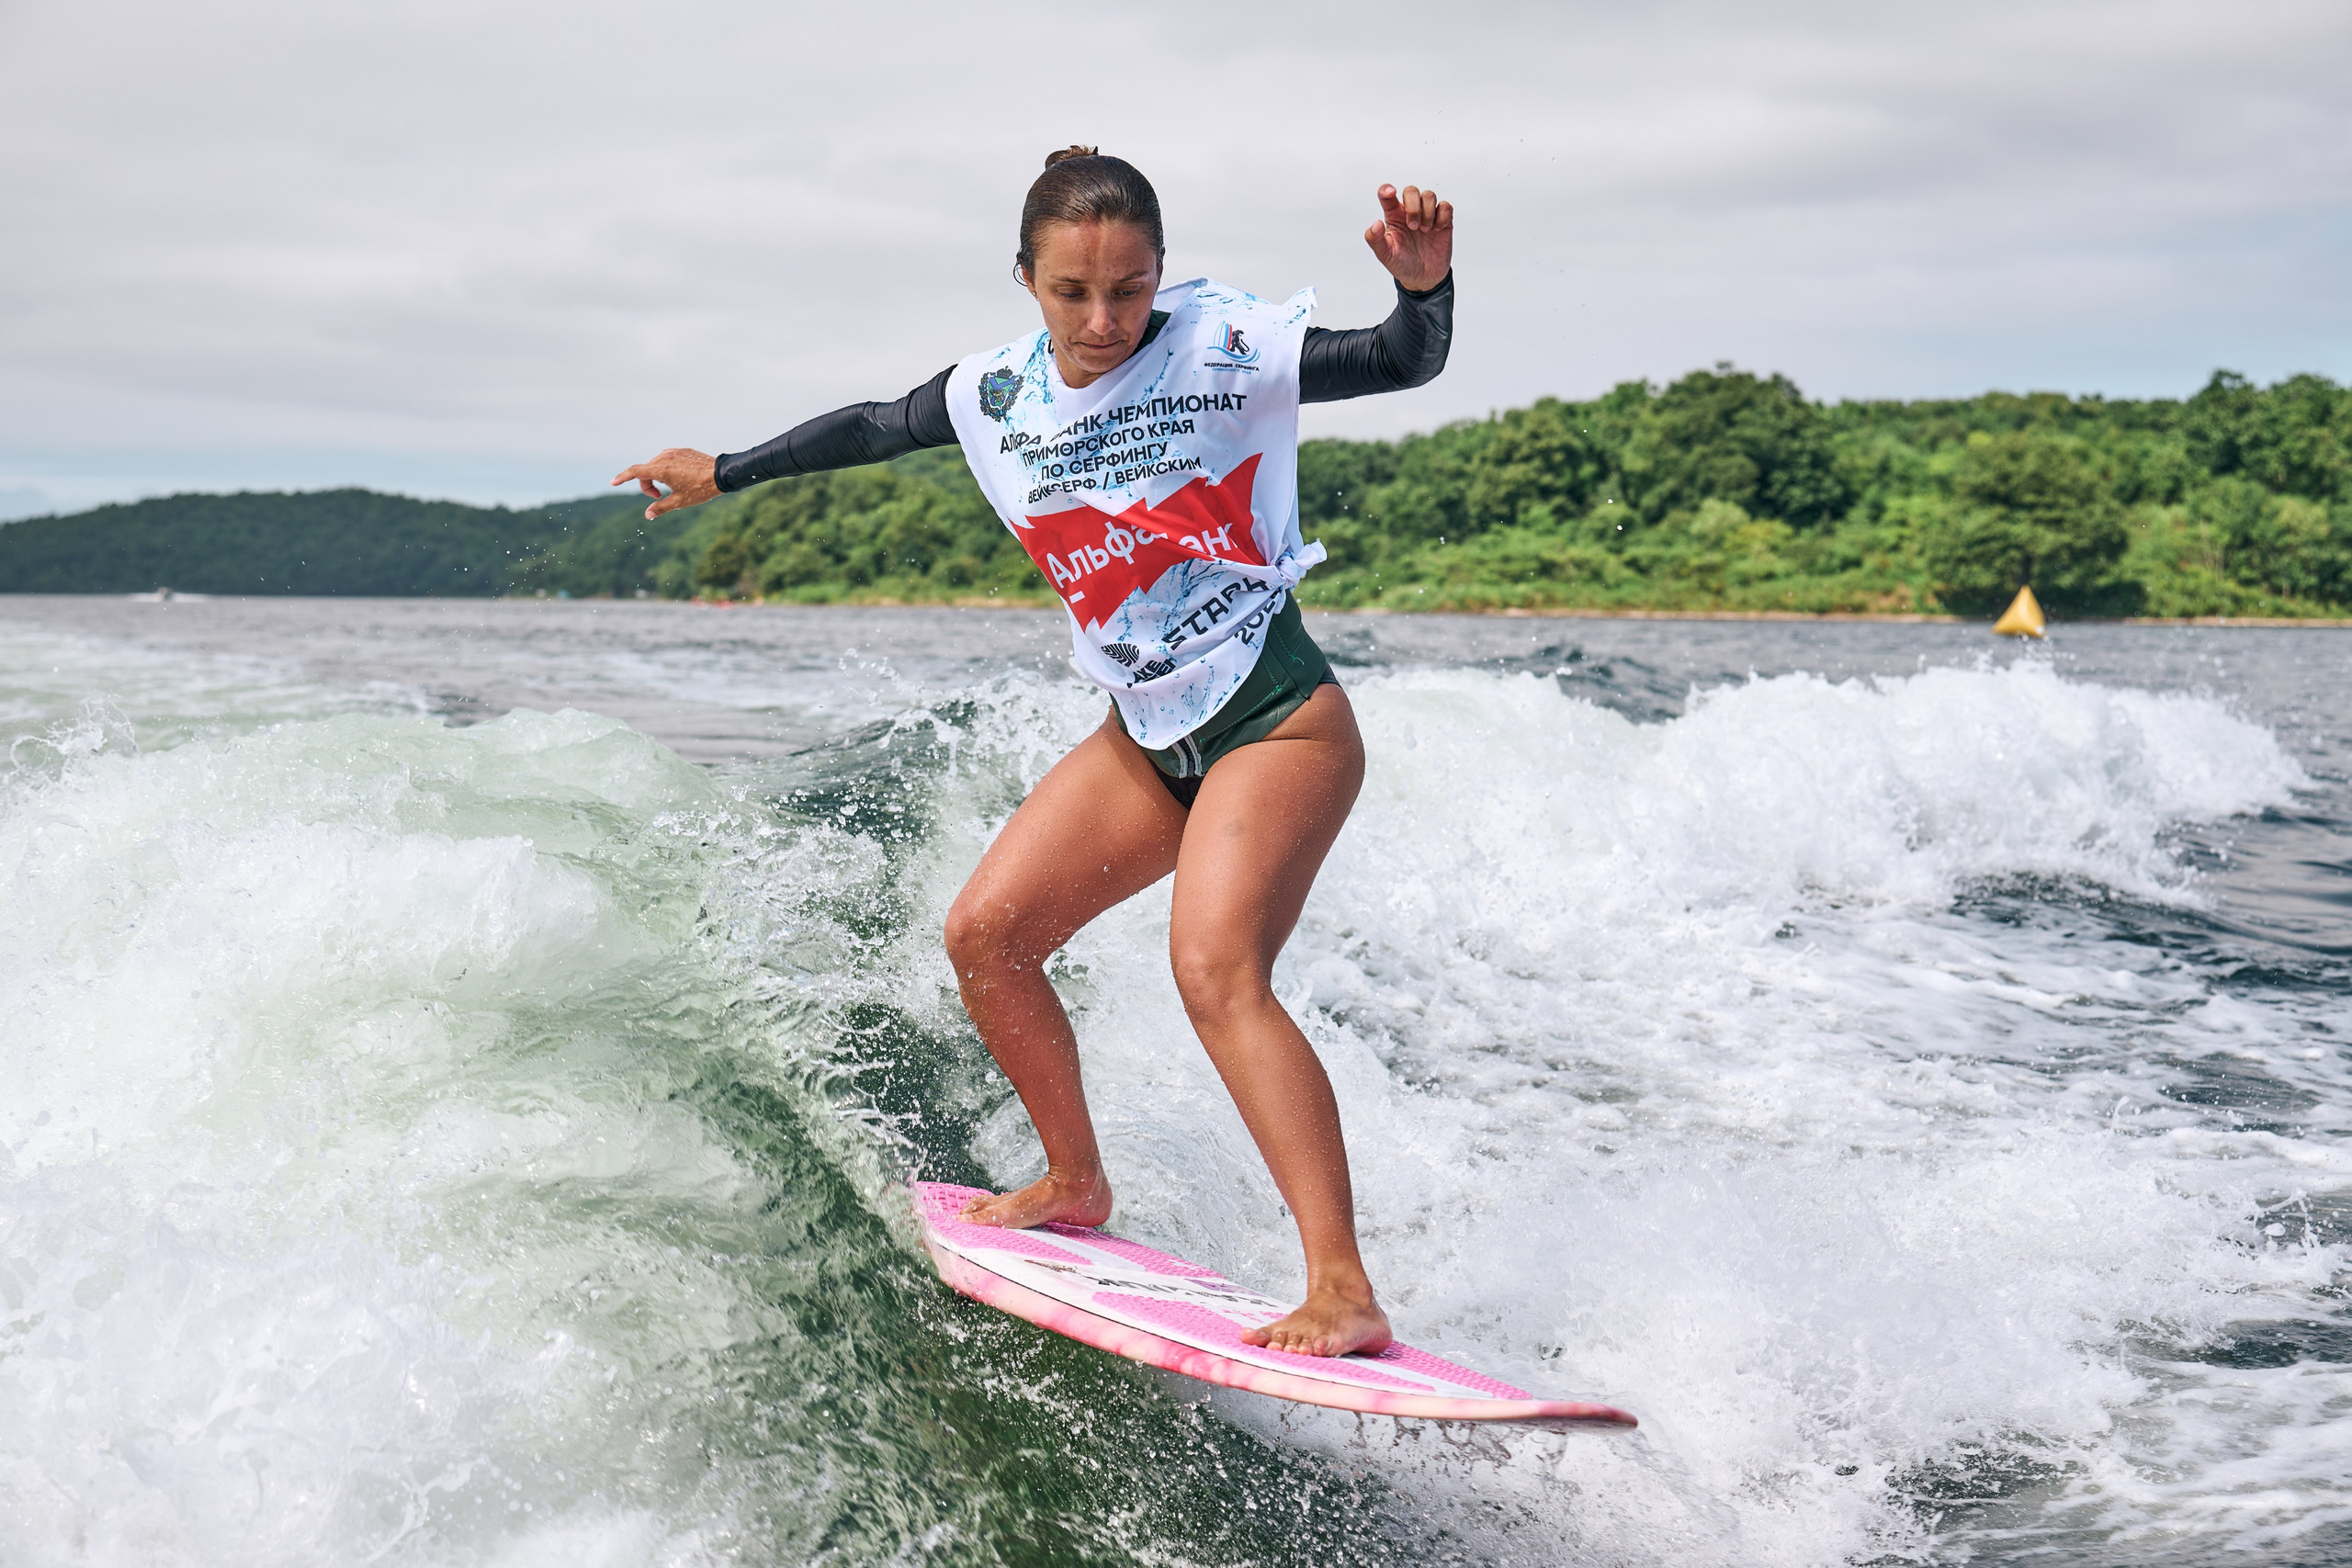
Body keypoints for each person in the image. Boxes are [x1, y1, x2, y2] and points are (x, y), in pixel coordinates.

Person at [615, 148, 1453, 1357]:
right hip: (1149, 737)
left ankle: (1341, 1287)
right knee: (988, 935)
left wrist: (1423, 294)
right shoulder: (993, 395)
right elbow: (868, 426)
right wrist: (727, 470)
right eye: (1073, 292)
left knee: (1214, 970)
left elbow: (1393, 361)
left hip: (1277, 720)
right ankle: (1073, 1180)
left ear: (1161, 272)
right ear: (1026, 279)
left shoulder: (1223, 355)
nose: (1105, 319)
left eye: (1129, 288)